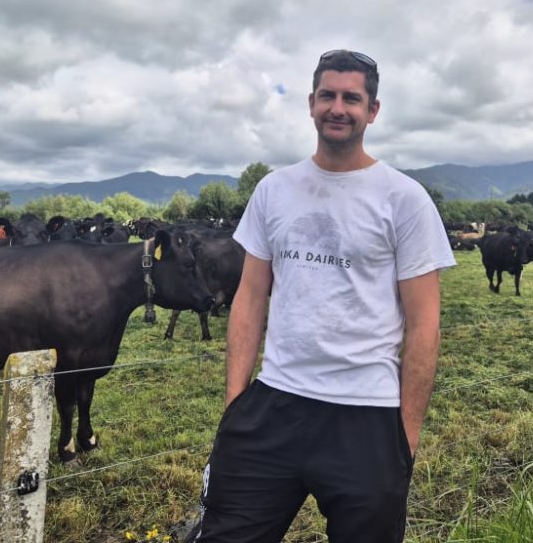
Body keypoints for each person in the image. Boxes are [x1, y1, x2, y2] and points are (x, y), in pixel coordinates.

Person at [189, 49, 456, 542]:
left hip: (367, 415)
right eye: (328, 95)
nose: (339, 107)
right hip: (274, 404)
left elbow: (425, 326)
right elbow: (249, 299)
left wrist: (405, 439)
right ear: (311, 103)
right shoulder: (274, 190)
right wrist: (234, 404)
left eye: (352, 98)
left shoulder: (405, 199)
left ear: (372, 110)